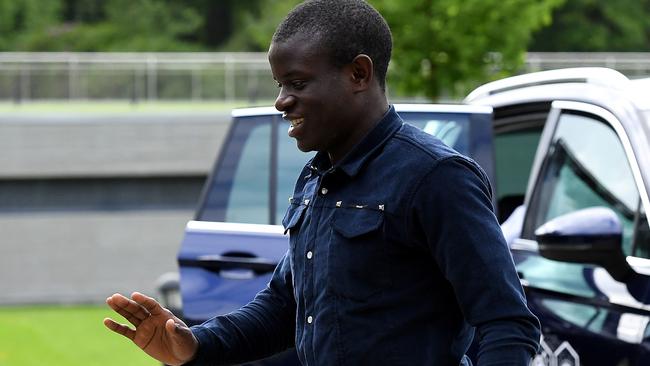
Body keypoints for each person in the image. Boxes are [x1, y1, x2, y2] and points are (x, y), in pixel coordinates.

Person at [104, 1, 541, 365]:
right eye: (279, 84)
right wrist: (194, 344)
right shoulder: (317, 176)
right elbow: (284, 305)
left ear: (358, 74)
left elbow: (507, 324)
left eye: (296, 82)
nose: (280, 101)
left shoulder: (436, 177)